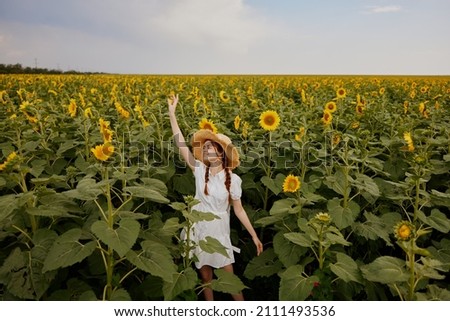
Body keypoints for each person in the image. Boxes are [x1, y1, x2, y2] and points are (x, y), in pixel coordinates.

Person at [168, 94, 263, 301]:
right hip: (199, 226)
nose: (207, 149)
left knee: (229, 279)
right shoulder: (198, 170)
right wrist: (172, 114)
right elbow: (180, 143)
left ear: (221, 154)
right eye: (206, 147)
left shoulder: (234, 180)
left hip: (219, 230)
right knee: (205, 275)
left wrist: (254, 235)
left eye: (211, 147)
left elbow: (238, 210)